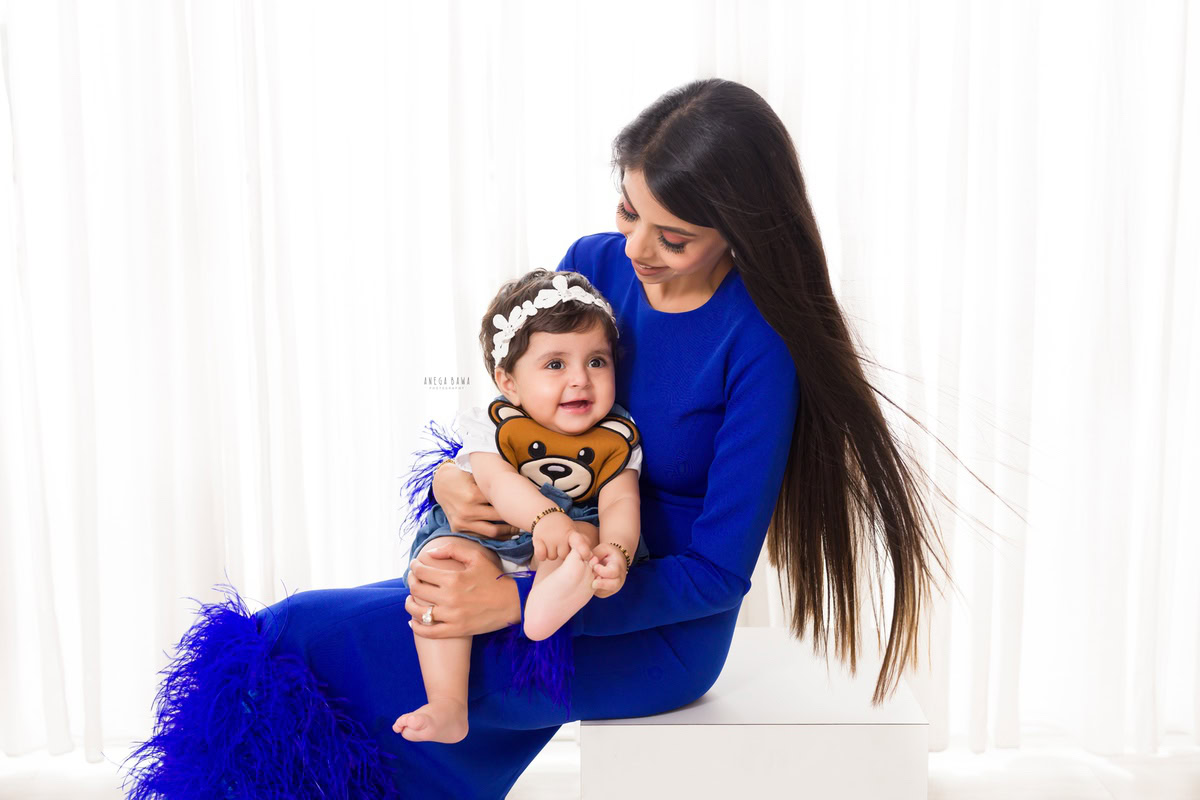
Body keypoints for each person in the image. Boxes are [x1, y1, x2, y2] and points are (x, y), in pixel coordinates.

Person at [124, 78, 950, 800]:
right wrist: (458, 481)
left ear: (740, 232)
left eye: (673, 237)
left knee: (313, 638)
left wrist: (513, 606)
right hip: (532, 556)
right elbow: (527, 409)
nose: (635, 249)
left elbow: (710, 577)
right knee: (316, 633)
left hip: (643, 627)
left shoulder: (760, 343)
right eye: (630, 210)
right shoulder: (596, 263)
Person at [393, 269, 648, 744]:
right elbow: (496, 480)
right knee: (438, 568)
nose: (580, 380)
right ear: (508, 381)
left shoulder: (618, 432)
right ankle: (448, 704)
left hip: (568, 531)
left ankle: (552, 600)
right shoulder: (494, 421)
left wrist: (618, 549)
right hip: (487, 531)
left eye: (597, 361)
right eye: (555, 365)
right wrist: (543, 516)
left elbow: (620, 497)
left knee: (585, 540)